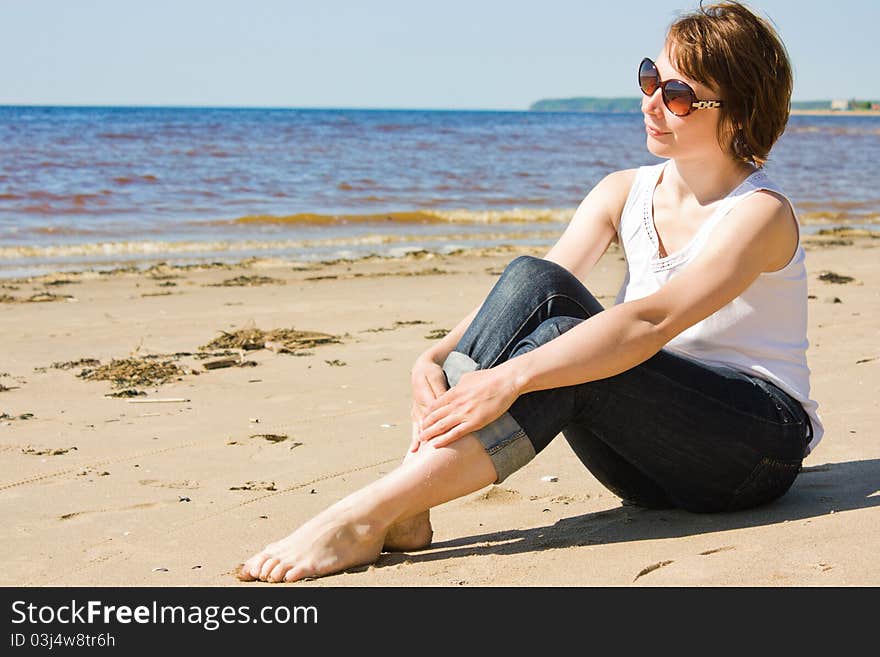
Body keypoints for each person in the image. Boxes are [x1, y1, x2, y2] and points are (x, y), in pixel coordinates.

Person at [237, 0, 822, 584]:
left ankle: (362, 515)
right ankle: (408, 504)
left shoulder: (760, 214)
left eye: (678, 95)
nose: (650, 102)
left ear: (739, 113)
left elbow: (652, 322)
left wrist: (512, 377)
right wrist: (436, 355)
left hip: (753, 451)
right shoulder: (623, 191)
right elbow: (535, 287)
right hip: (643, 458)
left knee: (571, 346)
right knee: (533, 280)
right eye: (651, 78)